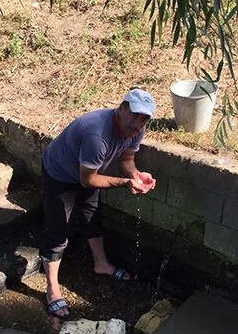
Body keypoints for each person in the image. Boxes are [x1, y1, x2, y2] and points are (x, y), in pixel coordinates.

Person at [39, 89, 157, 319]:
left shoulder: (136, 130)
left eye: (144, 118)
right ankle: (52, 289)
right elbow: (88, 180)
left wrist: (136, 176)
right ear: (122, 108)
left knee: (92, 216)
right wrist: (125, 183)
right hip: (60, 175)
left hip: (88, 172)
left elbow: (127, 159)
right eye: (134, 115)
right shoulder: (98, 134)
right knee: (58, 233)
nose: (137, 123)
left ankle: (101, 264)